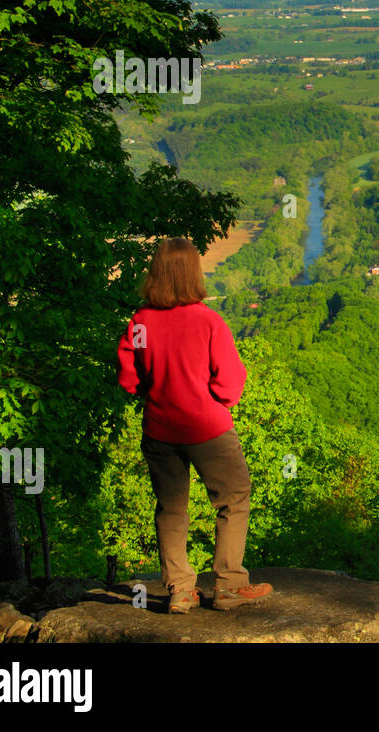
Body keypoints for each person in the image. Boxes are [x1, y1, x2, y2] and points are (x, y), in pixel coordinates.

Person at [117, 237, 273, 614]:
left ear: (156, 273)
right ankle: (229, 586)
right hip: (207, 427)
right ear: (193, 273)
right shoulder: (208, 320)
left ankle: (181, 591)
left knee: (171, 509)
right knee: (233, 498)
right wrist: (215, 402)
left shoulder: (140, 323)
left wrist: (152, 392)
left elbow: (128, 378)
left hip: (160, 428)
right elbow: (231, 380)